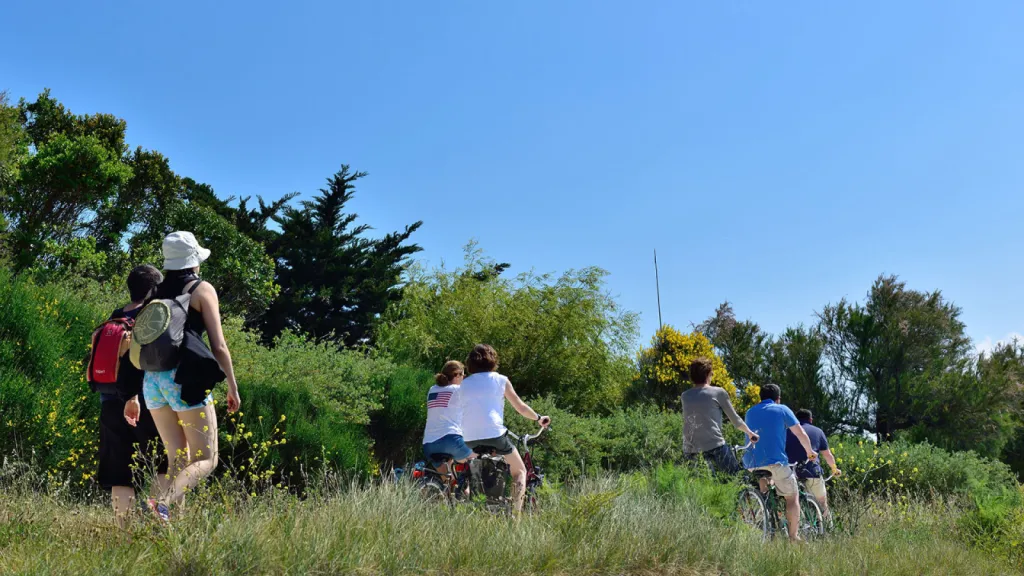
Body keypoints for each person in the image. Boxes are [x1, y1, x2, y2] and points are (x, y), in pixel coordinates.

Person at [127, 231, 241, 519]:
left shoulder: (155, 291)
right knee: (207, 459)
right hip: (184, 380)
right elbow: (219, 345)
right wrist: (232, 385)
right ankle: (160, 505)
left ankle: (168, 524)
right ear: (193, 260)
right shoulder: (202, 290)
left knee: (178, 457)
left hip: (153, 381)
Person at [96, 265, 170, 528]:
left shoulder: (115, 317)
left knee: (119, 473)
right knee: (165, 463)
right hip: (144, 401)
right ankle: (160, 524)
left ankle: (123, 534)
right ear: (154, 289)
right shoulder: (152, 316)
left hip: (109, 401)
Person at [460, 344, 550, 515]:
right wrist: (539, 418)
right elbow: (520, 407)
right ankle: (516, 517)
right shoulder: (500, 380)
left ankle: (471, 506)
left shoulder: (464, 383)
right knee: (520, 471)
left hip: (469, 437)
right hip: (494, 434)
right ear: (493, 360)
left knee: (471, 472)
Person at [743, 384, 818, 542]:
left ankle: (766, 510)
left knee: (767, 481)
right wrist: (810, 452)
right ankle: (793, 536)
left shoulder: (750, 411)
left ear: (761, 398)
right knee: (792, 496)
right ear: (778, 399)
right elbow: (800, 433)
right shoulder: (782, 409)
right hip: (775, 462)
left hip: (751, 463)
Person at [681, 357, 759, 475]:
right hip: (715, 446)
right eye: (711, 373)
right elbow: (735, 419)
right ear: (707, 374)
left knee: (701, 482)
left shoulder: (685, 396)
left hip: (691, 449)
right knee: (736, 478)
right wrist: (750, 433)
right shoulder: (718, 393)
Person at [422, 360, 476, 477]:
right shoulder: (458, 390)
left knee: (448, 480)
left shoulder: (432, 389)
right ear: (456, 375)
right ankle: (475, 486)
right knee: (480, 458)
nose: (464, 378)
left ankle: (452, 487)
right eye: (463, 375)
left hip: (429, 445)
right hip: (451, 440)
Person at [786, 409, 841, 520]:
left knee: (791, 503)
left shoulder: (787, 431)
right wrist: (834, 469)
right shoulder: (818, 431)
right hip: (812, 472)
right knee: (822, 502)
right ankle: (826, 525)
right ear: (811, 420)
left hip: (790, 473)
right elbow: (827, 455)